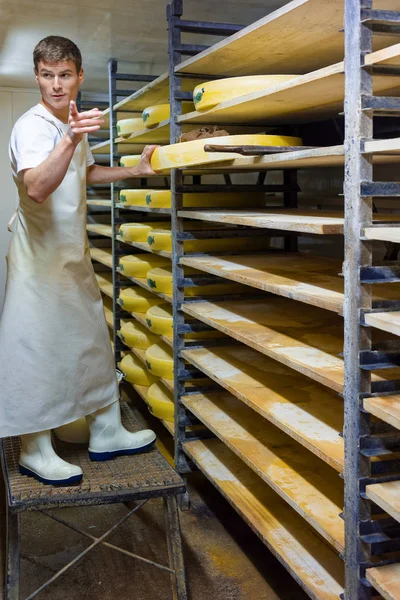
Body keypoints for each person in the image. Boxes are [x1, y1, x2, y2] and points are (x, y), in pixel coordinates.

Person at [0, 35, 158, 485]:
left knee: (88, 339)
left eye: (65, 75)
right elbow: (36, 186)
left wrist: (136, 171)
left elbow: (84, 173)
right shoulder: (32, 126)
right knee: (38, 349)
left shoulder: (69, 121)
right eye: (47, 76)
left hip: (70, 255)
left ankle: (106, 431)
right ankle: (35, 448)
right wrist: (71, 135)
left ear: (79, 75)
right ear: (36, 76)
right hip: (38, 262)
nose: (56, 84)